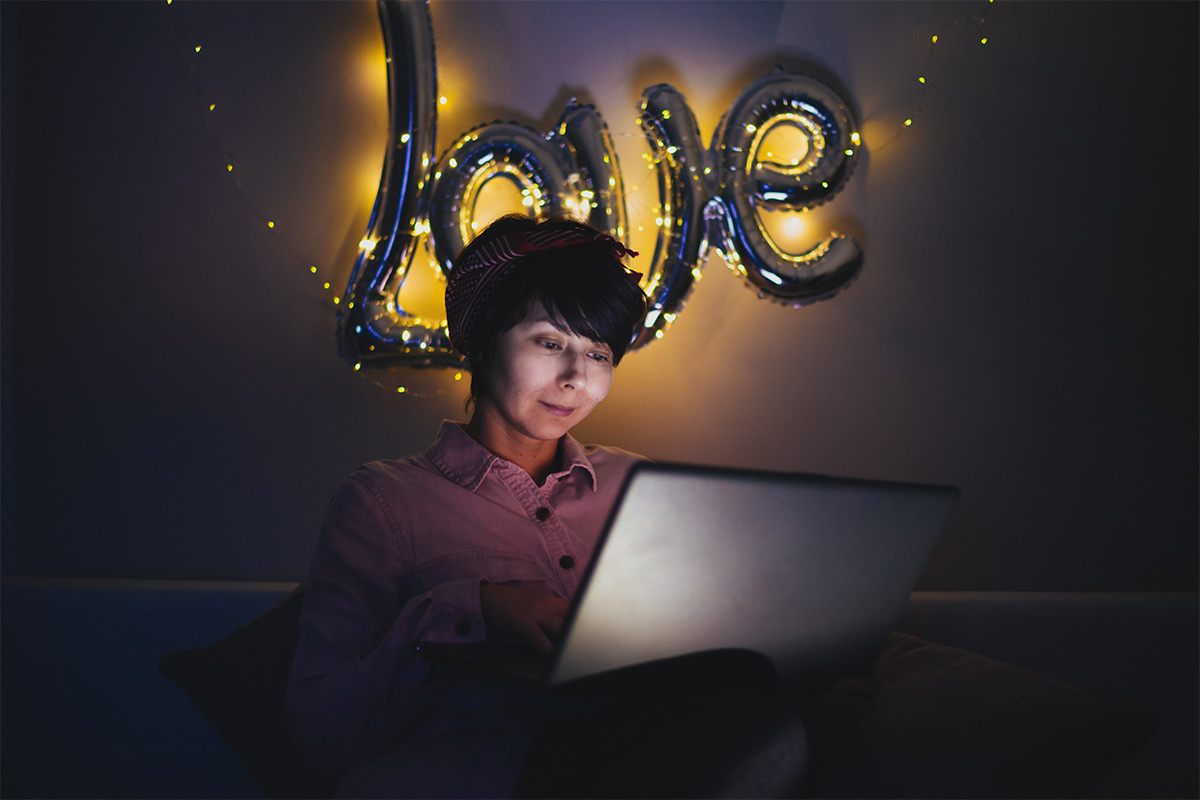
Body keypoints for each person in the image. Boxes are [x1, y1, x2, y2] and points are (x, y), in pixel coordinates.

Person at [286, 214, 808, 798]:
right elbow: (321, 735)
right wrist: (477, 608)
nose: (575, 379)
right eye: (549, 342)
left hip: (640, 757)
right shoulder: (382, 503)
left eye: (600, 354)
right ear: (483, 341)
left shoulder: (641, 488)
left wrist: (791, 678)